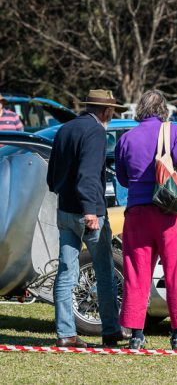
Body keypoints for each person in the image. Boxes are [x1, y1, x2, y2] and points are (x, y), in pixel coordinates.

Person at [115, 90, 177, 350]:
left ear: (140, 109)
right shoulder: (173, 132)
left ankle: (136, 335)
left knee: (136, 274)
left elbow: (122, 178)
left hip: (137, 213)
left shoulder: (126, 138)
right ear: (163, 109)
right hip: (170, 215)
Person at [45, 89, 127, 348]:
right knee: (104, 272)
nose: (112, 115)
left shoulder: (65, 129)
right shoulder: (95, 132)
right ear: (106, 111)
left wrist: (65, 195)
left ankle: (66, 333)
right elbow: (89, 174)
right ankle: (111, 330)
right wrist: (90, 210)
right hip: (88, 213)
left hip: (65, 210)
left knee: (66, 273)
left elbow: (52, 174)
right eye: (112, 110)